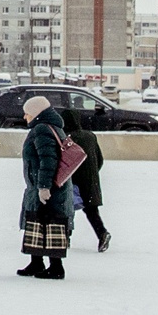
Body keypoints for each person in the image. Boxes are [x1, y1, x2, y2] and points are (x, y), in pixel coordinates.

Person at [18, 96, 76, 280]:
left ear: (36, 113)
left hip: (47, 187)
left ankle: (56, 267)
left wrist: (44, 186)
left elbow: (48, 160)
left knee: (49, 223)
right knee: (38, 221)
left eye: (27, 113)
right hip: (44, 185)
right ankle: (36, 262)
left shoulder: (42, 129)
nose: (25, 117)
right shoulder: (52, 127)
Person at [67, 112, 110, 253]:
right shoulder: (90, 136)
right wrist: (92, 172)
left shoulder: (67, 138)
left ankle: (65, 237)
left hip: (73, 180)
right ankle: (102, 233)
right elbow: (100, 159)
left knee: (66, 210)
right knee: (91, 210)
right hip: (91, 180)